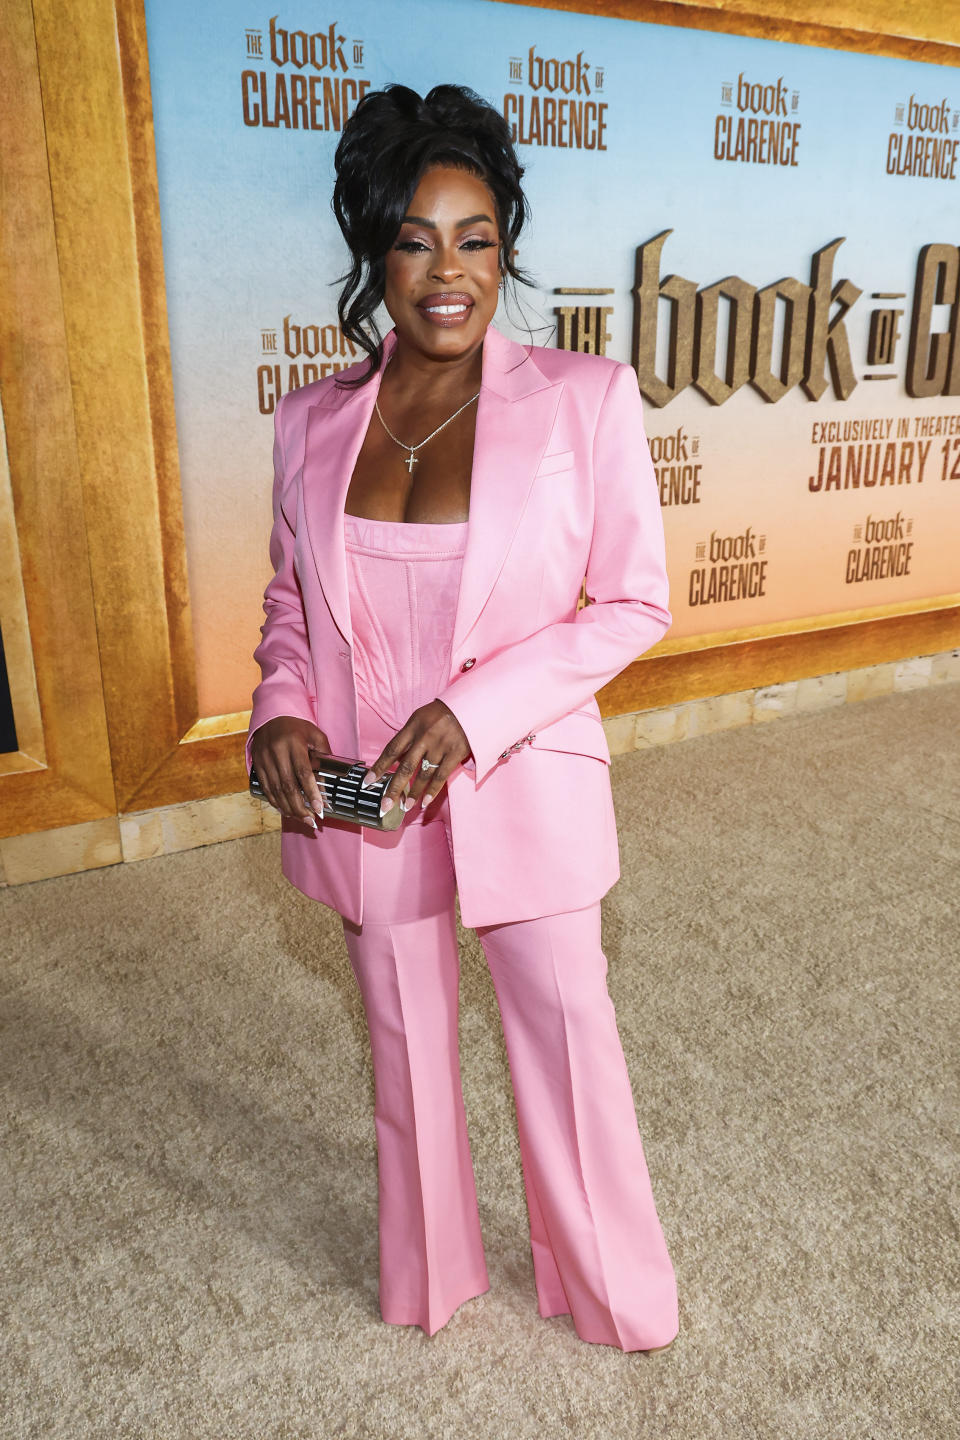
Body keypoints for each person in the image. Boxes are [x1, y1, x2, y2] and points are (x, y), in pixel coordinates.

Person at [246, 82, 678, 1353]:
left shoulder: (583, 401)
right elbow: (289, 598)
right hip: (367, 793)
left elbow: (635, 604)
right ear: (373, 250)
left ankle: (612, 1295)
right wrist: (280, 708)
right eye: (416, 238)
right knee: (402, 1041)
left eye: (476, 237)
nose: (449, 271)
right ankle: (430, 1274)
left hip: (516, 776)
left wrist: (471, 711)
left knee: (565, 1036)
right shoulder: (311, 422)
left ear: (508, 245)